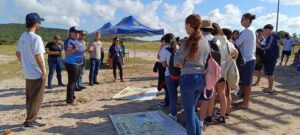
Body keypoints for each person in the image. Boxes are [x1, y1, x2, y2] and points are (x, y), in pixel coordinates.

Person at [174, 14, 210, 135]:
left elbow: (176, 62)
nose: (185, 27)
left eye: (185, 24)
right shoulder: (205, 42)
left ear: (189, 24)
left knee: (189, 113)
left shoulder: (187, 42)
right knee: (192, 110)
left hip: (188, 79)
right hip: (200, 78)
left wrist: (183, 63)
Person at [16, 12, 46, 128]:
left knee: (30, 97)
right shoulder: (36, 38)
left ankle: (31, 116)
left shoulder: (23, 36)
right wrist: (44, 72)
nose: (40, 25)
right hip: (36, 73)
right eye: (39, 22)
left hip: (28, 72)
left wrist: (25, 64)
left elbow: (17, 54)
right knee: (36, 98)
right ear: (36, 23)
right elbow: (38, 56)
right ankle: (30, 121)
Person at [198, 19, 221, 126]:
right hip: (215, 72)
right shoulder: (217, 40)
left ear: (201, 28)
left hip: (203, 72)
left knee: (202, 98)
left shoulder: (201, 40)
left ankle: (200, 121)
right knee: (211, 94)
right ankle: (209, 116)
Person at [233, 13, 257, 109]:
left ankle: (246, 103)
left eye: (242, 19)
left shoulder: (247, 31)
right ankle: (244, 100)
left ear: (247, 20)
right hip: (247, 59)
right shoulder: (251, 30)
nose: (241, 21)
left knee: (247, 83)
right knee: (243, 82)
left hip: (247, 60)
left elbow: (237, 44)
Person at [159, 33, 180, 120]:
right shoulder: (179, 47)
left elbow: (163, 64)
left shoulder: (164, 49)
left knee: (172, 95)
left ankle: (174, 115)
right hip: (180, 75)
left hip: (169, 75)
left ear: (165, 41)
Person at [64, 26, 84, 105]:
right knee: (72, 82)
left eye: (78, 32)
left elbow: (80, 51)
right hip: (72, 63)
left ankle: (72, 96)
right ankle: (70, 99)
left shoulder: (76, 41)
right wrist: (74, 50)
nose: (77, 34)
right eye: (75, 32)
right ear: (71, 33)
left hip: (78, 63)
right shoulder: (69, 41)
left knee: (74, 81)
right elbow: (66, 52)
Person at [259, 24, 279, 94]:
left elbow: (269, 47)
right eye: (264, 30)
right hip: (268, 57)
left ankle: (270, 88)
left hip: (271, 57)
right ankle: (269, 87)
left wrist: (261, 48)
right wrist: (259, 44)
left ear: (270, 30)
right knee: (269, 73)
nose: (264, 31)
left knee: (270, 73)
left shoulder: (272, 37)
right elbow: (264, 45)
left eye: (265, 30)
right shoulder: (268, 37)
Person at [156, 37, 169, 108]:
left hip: (164, 69)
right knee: (169, 86)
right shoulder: (174, 46)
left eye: (162, 41)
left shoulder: (165, 48)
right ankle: (168, 101)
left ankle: (167, 101)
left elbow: (158, 57)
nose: (161, 43)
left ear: (164, 41)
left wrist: (160, 48)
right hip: (170, 71)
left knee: (165, 85)